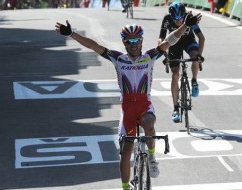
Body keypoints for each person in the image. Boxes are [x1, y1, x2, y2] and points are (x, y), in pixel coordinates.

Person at [55, 12, 201, 190]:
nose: (133, 45)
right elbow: (94, 46)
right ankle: (125, 187)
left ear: (141, 41)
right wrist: (71, 34)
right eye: (129, 41)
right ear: (124, 43)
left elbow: (169, 41)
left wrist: (185, 25)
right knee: (126, 153)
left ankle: (152, 158)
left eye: (137, 40)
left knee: (148, 122)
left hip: (144, 105)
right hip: (127, 110)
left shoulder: (149, 57)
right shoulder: (118, 59)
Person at [158, 2, 205, 123]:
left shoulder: (188, 17)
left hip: (189, 41)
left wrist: (199, 55)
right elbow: (161, 39)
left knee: (194, 56)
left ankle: (194, 80)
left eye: (180, 19)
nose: (178, 21)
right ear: (171, 16)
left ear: (184, 15)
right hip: (174, 43)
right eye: (175, 19)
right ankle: (175, 108)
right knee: (175, 75)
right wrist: (165, 54)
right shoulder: (167, 19)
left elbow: (201, 38)